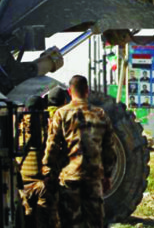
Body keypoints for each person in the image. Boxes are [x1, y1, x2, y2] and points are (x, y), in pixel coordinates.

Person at [43, 75, 116, 228]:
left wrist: (48, 172)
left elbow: (52, 147)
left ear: (70, 92)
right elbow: (109, 149)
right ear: (87, 91)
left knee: (69, 222)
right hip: (93, 178)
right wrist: (107, 176)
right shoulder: (101, 114)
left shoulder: (61, 114)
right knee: (94, 222)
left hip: (70, 179)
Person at [19, 95, 60, 228]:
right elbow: (49, 156)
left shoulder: (18, 128)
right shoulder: (37, 128)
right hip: (39, 187)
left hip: (20, 187)